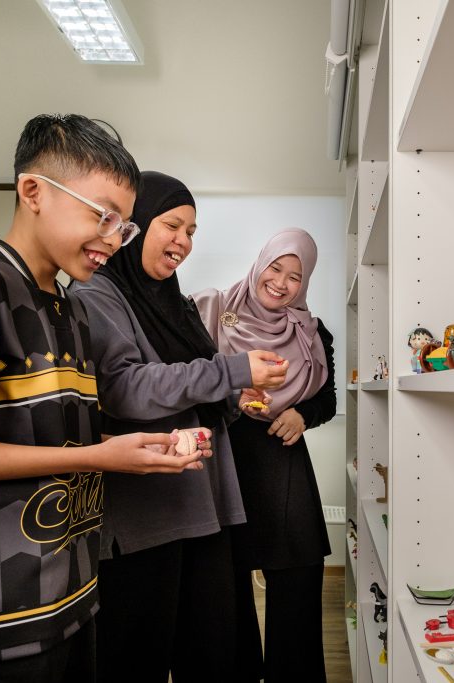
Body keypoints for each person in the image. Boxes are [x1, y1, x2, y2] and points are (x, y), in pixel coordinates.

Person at [0, 114, 207, 683]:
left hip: (77, 595)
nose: (113, 239)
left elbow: (57, 438)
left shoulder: (73, 305)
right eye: (101, 215)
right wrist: (94, 457)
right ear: (33, 191)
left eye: (124, 227)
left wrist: (133, 449)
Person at [68, 171, 289, 681]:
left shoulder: (174, 305)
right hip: (149, 520)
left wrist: (236, 395)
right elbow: (123, 388)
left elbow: (195, 389)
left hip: (205, 504)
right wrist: (231, 371)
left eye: (192, 231)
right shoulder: (98, 297)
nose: (183, 242)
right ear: (135, 224)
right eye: (172, 225)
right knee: (136, 658)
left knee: (213, 654)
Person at [194, 228, 336, 682]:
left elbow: (327, 399)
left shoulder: (313, 333)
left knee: (297, 580)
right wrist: (231, 397)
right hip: (224, 462)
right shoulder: (213, 311)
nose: (281, 282)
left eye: (295, 276)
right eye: (275, 268)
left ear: (305, 283)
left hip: (283, 463)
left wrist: (302, 414)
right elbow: (189, 384)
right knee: (223, 588)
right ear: (260, 263)